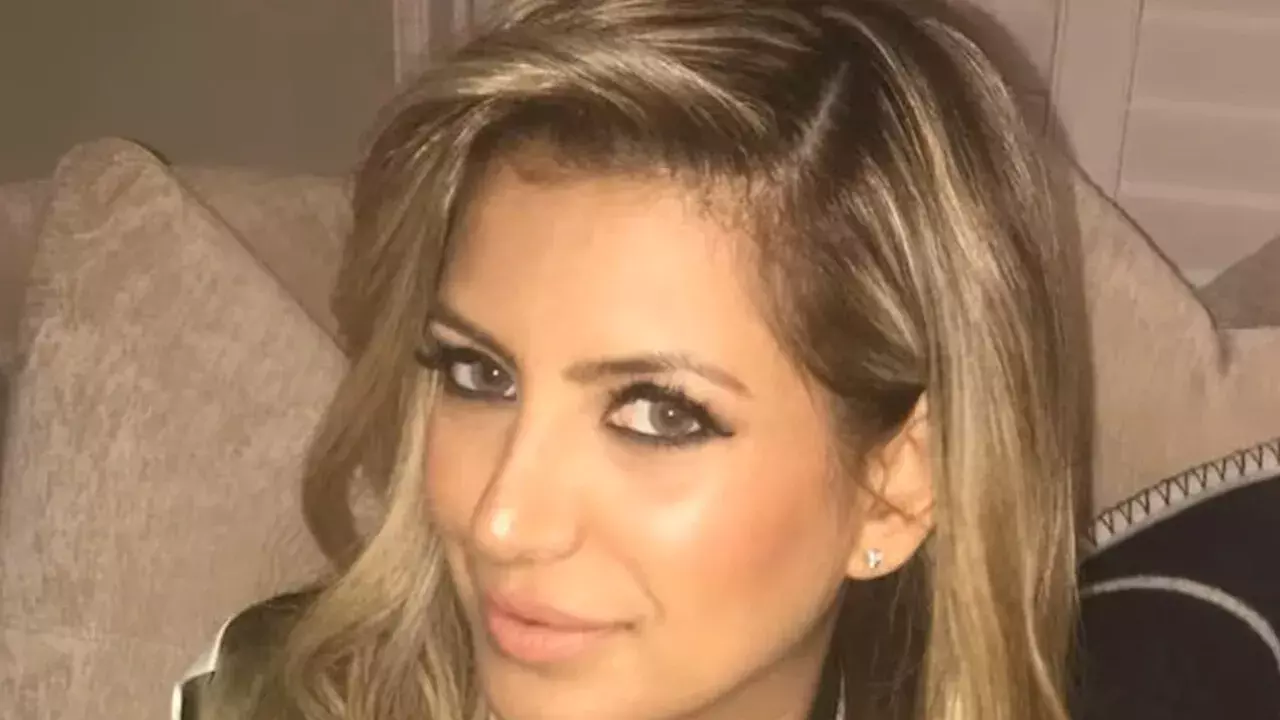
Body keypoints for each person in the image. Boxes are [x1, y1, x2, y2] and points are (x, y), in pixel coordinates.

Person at [174, 1, 1280, 719]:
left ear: (895, 486)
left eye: (657, 412)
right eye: (478, 375)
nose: (501, 519)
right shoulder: (268, 696)